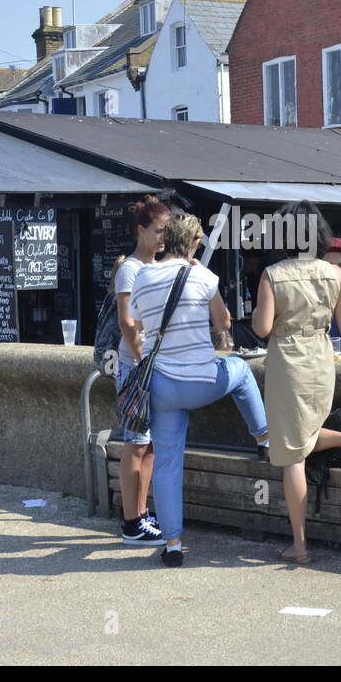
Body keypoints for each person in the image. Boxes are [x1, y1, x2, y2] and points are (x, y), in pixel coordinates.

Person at [252, 201, 341, 564]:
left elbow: (262, 329)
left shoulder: (273, 274)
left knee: (291, 455)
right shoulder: (336, 275)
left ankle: (299, 544)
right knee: (301, 434)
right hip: (321, 360)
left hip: (288, 362)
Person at [132, 212, 268, 567]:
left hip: (160, 385)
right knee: (239, 370)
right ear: (194, 243)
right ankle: (263, 437)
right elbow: (224, 322)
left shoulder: (144, 274)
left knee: (166, 464)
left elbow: (137, 321)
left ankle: (173, 544)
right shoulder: (203, 276)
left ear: (165, 240)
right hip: (200, 381)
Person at [113, 195, 172, 545]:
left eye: (167, 232)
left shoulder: (155, 267)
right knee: (135, 444)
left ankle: (141, 513)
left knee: (148, 446)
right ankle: (132, 522)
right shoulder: (131, 269)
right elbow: (126, 321)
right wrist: (140, 363)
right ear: (141, 231)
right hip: (137, 366)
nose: (164, 238)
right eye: (159, 231)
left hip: (149, 363)